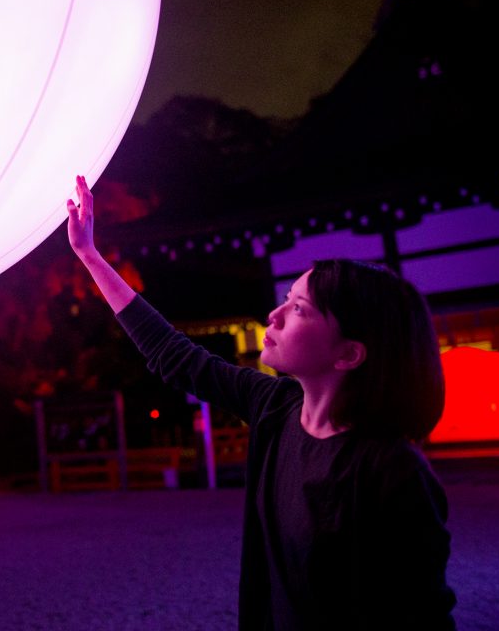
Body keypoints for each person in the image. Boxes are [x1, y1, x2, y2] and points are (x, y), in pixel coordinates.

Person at [66, 175, 455, 629]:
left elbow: (423, 613)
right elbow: (172, 353)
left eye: (300, 309)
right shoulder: (277, 407)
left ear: (349, 353)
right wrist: (89, 255)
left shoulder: (392, 471)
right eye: (287, 299)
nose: (275, 314)